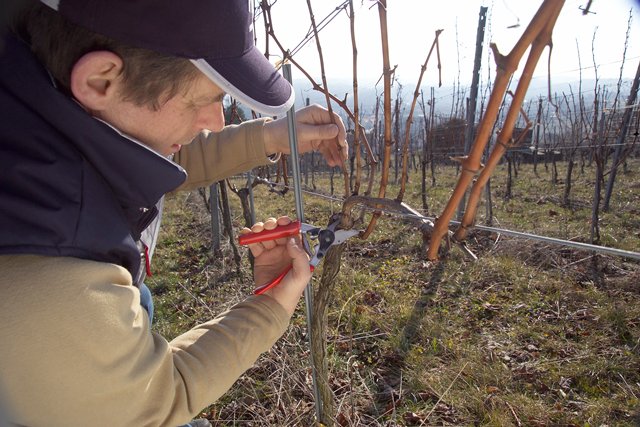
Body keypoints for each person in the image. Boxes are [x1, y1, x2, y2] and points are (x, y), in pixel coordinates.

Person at [0, 0, 348, 426]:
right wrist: (270, 305)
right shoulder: (55, 278)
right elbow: (152, 403)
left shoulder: (32, 104)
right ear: (100, 80)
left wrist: (272, 135)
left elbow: (153, 156)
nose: (217, 121)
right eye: (204, 100)